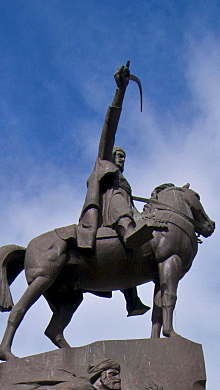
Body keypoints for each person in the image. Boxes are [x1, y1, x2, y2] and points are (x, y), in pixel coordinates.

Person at [76, 65, 152, 317]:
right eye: (118, 155)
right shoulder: (104, 163)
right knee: (120, 200)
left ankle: (132, 299)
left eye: (124, 157)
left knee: (136, 250)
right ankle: (128, 231)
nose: (121, 160)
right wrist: (120, 92)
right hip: (111, 212)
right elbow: (109, 129)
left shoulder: (124, 181)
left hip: (127, 212)